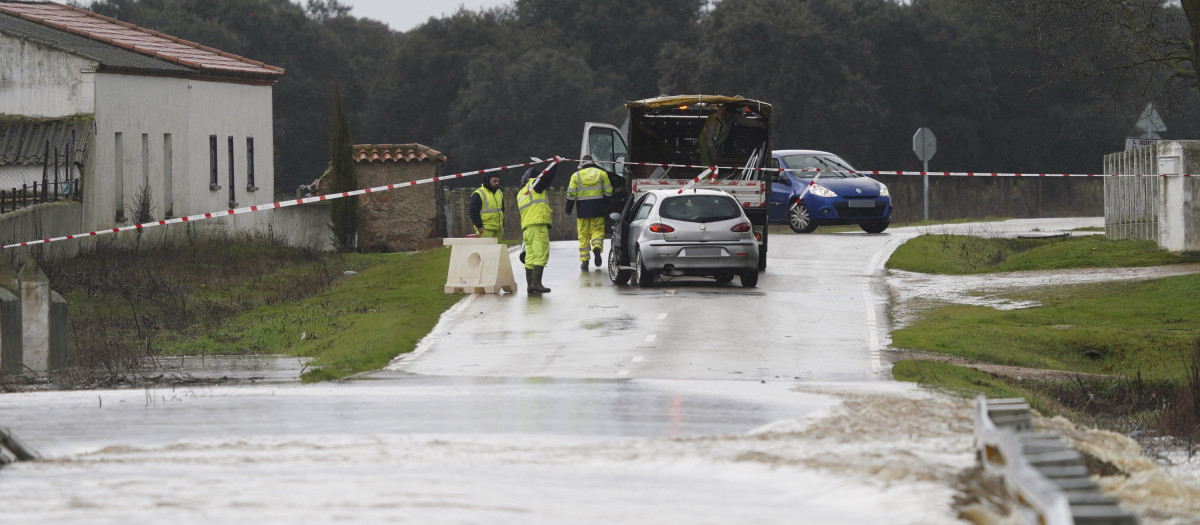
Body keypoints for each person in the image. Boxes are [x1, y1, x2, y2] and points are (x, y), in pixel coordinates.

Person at [564, 155, 613, 271]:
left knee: (583, 236)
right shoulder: (602, 174)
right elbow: (609, 192)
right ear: (593, 162)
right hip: (598, 210)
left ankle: (585, 261)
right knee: (597, 232)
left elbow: (571, 194)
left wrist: (568, 209)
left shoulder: (576, 176)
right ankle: (596, 247)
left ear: (582, 164)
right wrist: (605, 204)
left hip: (582, 211)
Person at [517, 162, 559, 294]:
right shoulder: (534, 186)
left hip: (526, 228)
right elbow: (547, 178)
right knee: (541, 254)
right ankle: (536, 283)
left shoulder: (521, 193)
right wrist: (555, 164)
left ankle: (530, 284)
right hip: (538, 225)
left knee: (530, 257)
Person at [698, 104, 766, 167]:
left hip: (717, 145)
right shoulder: (713, 119)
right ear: (725, 112)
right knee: (707, 167)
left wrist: (761, 124)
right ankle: (706, 180)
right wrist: (714, 156)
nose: (730, 118)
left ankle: (714, 179)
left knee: (715, 167)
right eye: (729, 115)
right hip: (706, 145)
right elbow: (708, 140)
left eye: (732, 116)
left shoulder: (731, 116)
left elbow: (744, 121)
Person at [469, 172, 504, 239]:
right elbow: (473, 213)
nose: (497, 183)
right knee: (485, 249)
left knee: (497, 249)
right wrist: (480, 227)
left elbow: (502, 209)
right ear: (488, 181)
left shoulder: (499, 192)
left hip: (498, 230)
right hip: (486, 230)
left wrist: (502, 224)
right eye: (494, 181)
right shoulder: (478, 194)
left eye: (498, 181)